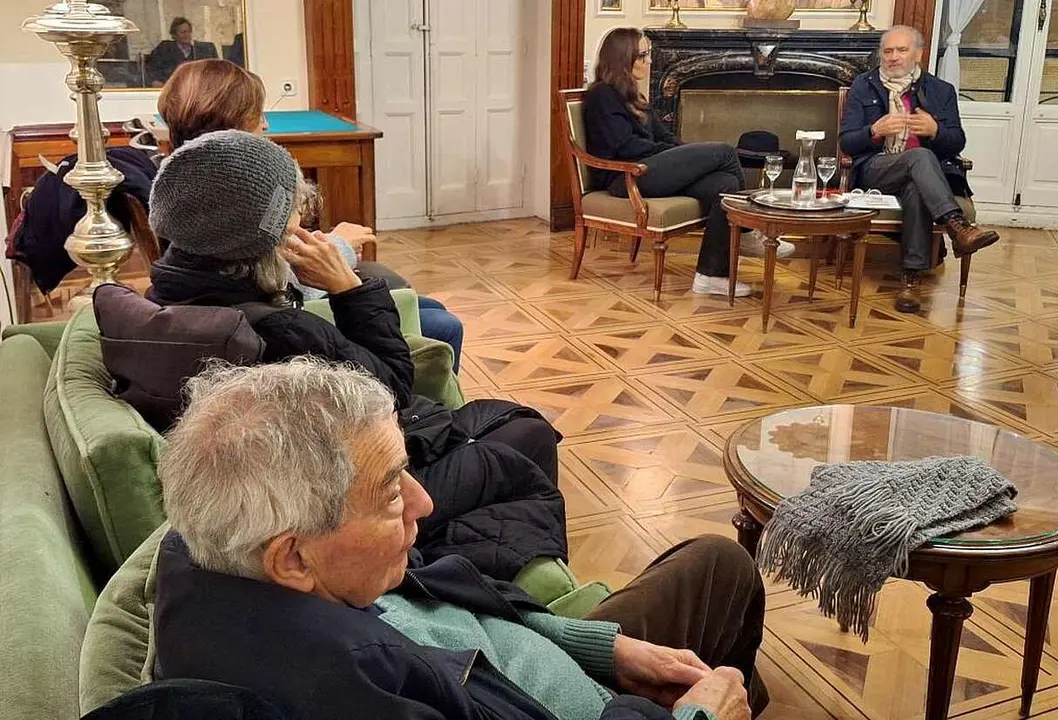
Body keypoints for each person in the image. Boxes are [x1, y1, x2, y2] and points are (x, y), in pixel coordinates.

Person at [152, 357, 768, 719]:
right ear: (292, 558)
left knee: (718, 564)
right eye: (392, 491)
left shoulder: (221, 555)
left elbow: (444, 603)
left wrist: (600, 648)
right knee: (727, 639)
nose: (423, 502)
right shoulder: (359, 689)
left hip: (555, 663)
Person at [143, 129, 565, 581]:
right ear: (262, 243)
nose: (303, 232)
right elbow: (391, 393)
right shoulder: (278, 330)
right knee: (528, 435)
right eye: (291, 226)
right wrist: (349, 287)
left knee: (506, 420)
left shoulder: (167, 293)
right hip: (353, 488)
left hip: (318, 468)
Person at [157, 59, 464, 372]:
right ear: (234, 126)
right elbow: (283, 288)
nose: (265, 125)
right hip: (294, 321)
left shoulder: (184, 193)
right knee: (442, 324)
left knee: (430, 310)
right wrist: (340, 257)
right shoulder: (242, 197)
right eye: (257, 115)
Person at [583, 28, 795, 298]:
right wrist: (675, 154)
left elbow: (664, 136)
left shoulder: (633, 96)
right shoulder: (602, 95)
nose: (649, 61)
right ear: (624, 58)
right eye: (643, 55)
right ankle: (745, 233)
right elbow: (625, 147)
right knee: (725, 153)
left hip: (650, 167)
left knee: (724, 183)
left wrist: (687, 153)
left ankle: (710, 276)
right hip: (625, 178)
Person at [840, 25, 999, 314]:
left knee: (916, 182)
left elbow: (956, 143)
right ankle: (957, 227)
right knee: (920, 157)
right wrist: (873, 130)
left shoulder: (941, 91)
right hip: (877, 170)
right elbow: (847, 143)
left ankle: (910, 282)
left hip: (924, 177)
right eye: (888, 51)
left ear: (918, 54)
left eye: (901, 50)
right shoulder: (863, 86)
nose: (893, 57)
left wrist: (936, 130)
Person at [146, 17, 219, 87]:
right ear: (174, 35)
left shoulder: (201, 51)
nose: (187, 35)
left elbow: (216, 70)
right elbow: (151, 68)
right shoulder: (165, 49)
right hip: (172, 89)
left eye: (189, 32)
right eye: (183, 32)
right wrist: (154, 81)